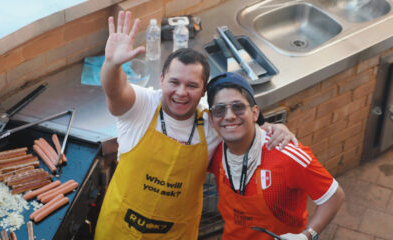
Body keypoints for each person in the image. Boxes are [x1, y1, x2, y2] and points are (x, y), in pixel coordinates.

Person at [94, 11, 296, 239]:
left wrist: (272, 126)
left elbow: (244, 120)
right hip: (119, 229)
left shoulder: (212, 121)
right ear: (161, 80)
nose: (181, 92)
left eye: (191, 85)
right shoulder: (141, 106)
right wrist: (111, 65)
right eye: (174, 82)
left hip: (176, 233)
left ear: (204, 89)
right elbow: (115, 90)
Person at [206, 72, 345, 240]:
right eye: (220, 109)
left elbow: (334, 196)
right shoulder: (214, 151)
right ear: (211, 119)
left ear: (255, 113)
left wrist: (307, 235)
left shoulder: (287, 155)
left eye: (238, 107)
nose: (229, 115)